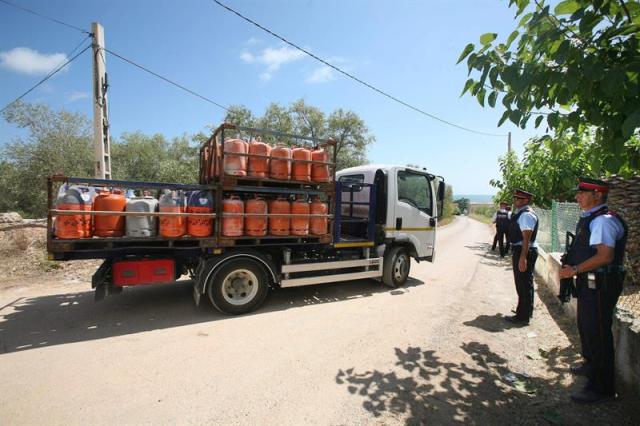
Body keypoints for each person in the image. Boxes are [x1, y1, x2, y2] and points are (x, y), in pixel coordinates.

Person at [559, 177, 627, 404]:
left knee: (597, 333)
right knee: (586, 327)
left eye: (582, 193)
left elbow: (605, 256)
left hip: (601, 284)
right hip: (591, 283)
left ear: (597, 195)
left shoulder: (603, 222)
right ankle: (590, 366)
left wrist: (574, 269)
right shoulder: (591, 218)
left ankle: (602, 388)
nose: (577, 197)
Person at [505, 189, 538, 325]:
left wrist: (522, 257)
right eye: (515, 198)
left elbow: (526, 238)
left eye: (518, 199)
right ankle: (525, 310)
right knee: (524, 282)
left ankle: (522, 317)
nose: (515, 201)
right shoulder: (522, 213)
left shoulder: (526, 215)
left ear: (525, 200)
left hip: (524, 251)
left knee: (523, 284)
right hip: (523, 250)